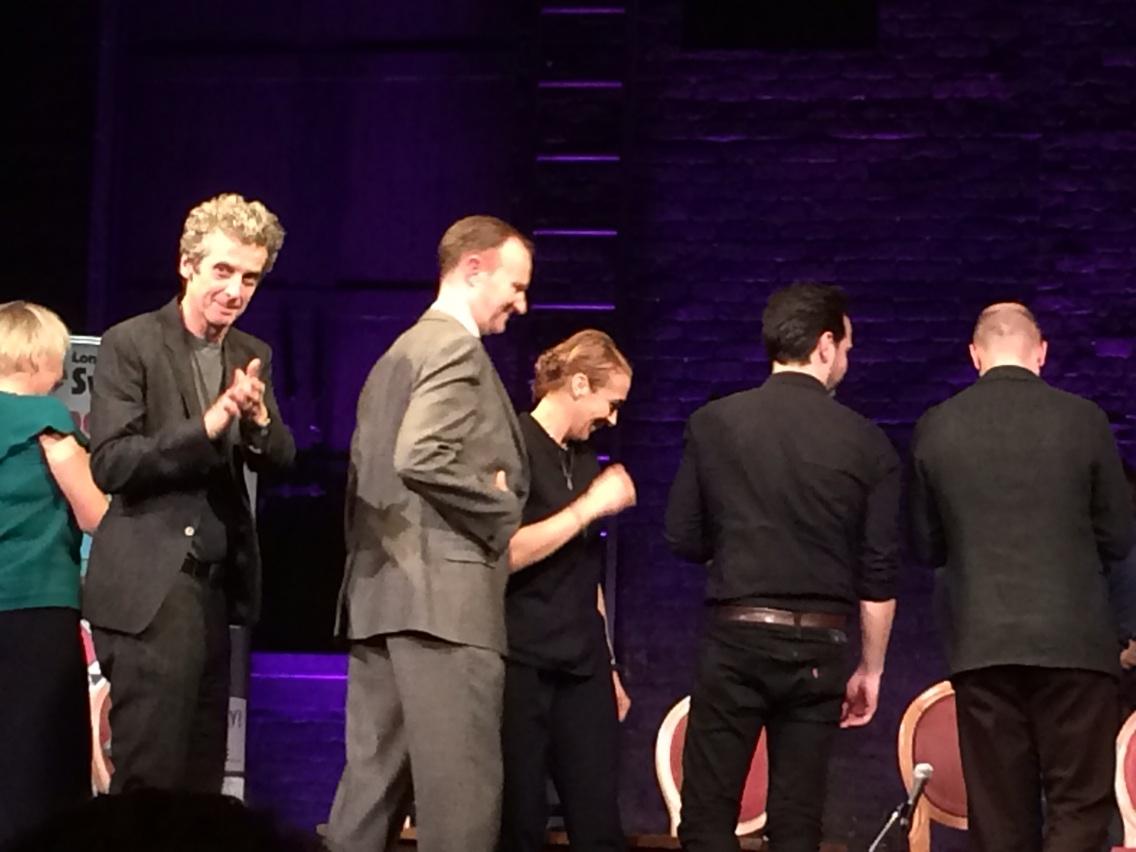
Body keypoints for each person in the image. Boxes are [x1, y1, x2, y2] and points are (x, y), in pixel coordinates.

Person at [665, 282, 900, 852]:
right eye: (847, 347)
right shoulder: (868, 444)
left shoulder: (714, 423)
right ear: (825, 345)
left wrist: (739, 546)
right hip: (821, 646)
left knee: (707, 815)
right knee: (798, 822)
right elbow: (877, 573)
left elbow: (682, 536)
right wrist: (871, 669)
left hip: (736, 637)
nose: (847, 360)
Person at [327, 215, 534, 852]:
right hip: (445, 609)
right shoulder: (454, 350)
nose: (521, 304)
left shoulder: (395, 356)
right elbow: (419, 456)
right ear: (473, 269)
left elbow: (363, 479)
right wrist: (499, 505)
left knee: (366, 804)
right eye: (515, 285)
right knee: (461, 807)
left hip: (381, 600)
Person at [84, 192, 295, 793]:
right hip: (153, 589)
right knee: (150, 781)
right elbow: (112, 463)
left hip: (214, 591)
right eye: (223, 271)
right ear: (187, 265)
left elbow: (281, 457)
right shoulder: (132, 343)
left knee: (202, 785)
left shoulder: (251, 354)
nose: (235, 290)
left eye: (249, 278)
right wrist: (206, 425)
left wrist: (257, 421)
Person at [909, 302, 1132, 852]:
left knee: (999, 816)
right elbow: (1119, 536)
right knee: (1078, 808)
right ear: (1041, 353)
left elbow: (927, 545)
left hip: (983, 648)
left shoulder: (937, 425)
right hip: (1077, 647)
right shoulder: (1084, 419)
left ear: (974, 355)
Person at [499, 329, 637, 852]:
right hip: (522, 661)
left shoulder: (582, 456)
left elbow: (585, 570)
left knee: (598, 823)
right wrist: (590, 507)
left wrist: (609, 665)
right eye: (611, 403)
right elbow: (505, 553)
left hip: (583, 664)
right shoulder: (513, 443)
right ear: (579, 384)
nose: (613, 419)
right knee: (521, 821)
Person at [0, 301, 107, 845]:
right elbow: (94, 514)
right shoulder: (46, 422)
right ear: (39, 357)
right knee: (38, 759)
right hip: (36, 607)